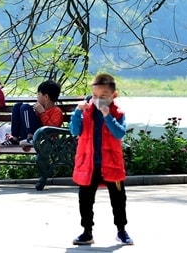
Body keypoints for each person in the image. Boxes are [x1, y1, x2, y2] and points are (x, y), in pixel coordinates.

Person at [70, 72, 132, 246]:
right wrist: (77, 112)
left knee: (118, 198)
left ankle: (122, 230)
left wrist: (107, 116)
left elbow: (119, 132)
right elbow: (75, 131)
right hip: (88, 163)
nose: (98, 99)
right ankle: (87, 232)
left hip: (111, 163)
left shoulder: (118, 113)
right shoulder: (86, 111)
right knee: (85, 199)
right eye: (95, 96)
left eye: (103, 96)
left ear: (114, 95)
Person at [0, 79, 63, 147]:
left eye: (38, 94)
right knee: (18, 106)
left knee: (25, 107)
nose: (37, 97)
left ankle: (31, 137)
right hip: (26, 135)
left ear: (46, 97)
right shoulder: (38, 108)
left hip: (43, 138)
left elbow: (51, 130)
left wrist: (42, 113)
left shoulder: (57, 111)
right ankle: (15, 138)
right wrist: (34, 113)